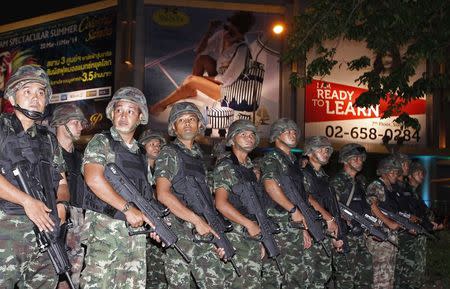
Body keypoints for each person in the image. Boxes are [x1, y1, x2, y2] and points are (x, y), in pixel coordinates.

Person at [80, 87, 159, 288]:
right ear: (112, 114)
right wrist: (127, 209)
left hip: (135, 239)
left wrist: (156, 223)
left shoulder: (142, 154)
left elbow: (147, 194)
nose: (123, 115)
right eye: (119, 110)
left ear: (140, 117)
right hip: (105, 233)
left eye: (130, 111)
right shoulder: (102, 142)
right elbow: (93, 179)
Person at [0, 65, 70, 288]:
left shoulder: (48, 139)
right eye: (27, 91)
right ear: (12, 96)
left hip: (47, 233)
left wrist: (61, 204)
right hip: (7, 231)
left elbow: (62, 181)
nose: (35, 97)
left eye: (41, 92)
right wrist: (27, 201)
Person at [154, 101, 226, 289]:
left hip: (203, 231)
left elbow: (207, 201)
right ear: (174, 128)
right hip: (180, 232)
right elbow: (162, 194)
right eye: (181, 120)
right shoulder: (169, 152)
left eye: (191, 119)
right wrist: (196, 221)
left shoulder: (199, 157)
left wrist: (216, 238)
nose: (187, 123)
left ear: (199, 125)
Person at [150, 11, 256, 114]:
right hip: (220, 79)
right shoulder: (222, 35)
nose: (227, 33)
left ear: (241, 35)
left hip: (230, 92)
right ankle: (190, 89)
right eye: (227, 28)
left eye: (232, 33)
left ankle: (161, 105)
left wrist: (198, 80)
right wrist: (210, 30)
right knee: (202, 58)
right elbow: (199, 51)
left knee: (191, 80)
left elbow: (228, 80)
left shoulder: (243, 50)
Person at [213, 119, 268, 288]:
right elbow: (220, 204)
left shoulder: (251, 170)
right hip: (235, 236)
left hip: (251, 236)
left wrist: (261, 239)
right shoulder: (226, 166)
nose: (249, 137)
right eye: (243, 134)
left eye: (252, 134)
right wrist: (248, 225)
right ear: (232, 139)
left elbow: (255, 208)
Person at [259, 118, 312, 289]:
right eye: (287, 131)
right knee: (273, 278)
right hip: (278, 225)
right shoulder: (272, 158)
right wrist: (293, 210)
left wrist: (302, 228)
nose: (293, 134)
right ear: (276, 136)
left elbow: (300, 196)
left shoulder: (293, 161)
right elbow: (270, 186)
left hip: (293, 226)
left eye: (294, 131)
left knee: (296, 278)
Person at [50, 103, 89, 289]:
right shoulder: (47, 152)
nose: (80, 127)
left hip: (78, 220)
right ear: (60, 123)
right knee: (51, 274)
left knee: (72, 276)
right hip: (55, 218)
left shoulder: (81, 157)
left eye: (81, 123)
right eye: (75, 122)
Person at [302, 136, 345, 288]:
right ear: (309, 152)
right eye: (320, 149)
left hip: (324, 235)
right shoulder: (303, 174)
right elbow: (305, 198)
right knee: (307, 278)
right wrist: (328, 217)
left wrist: (336, 235)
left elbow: (332, 207)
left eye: (327, 149)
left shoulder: (325, 179)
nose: (325, 152)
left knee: (322, 277)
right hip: (310, 233)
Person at [330, 143, 373, 289]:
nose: (359, 161)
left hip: (361, 237)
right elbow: (331, 209)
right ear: (345, 160)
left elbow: (365, 208)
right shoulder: (337, 182)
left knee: (365, 280)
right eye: (355, 158)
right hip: (346, 238)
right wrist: (336, 236)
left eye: (361, 158)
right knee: (345, 281)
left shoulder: (360, 183)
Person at [366, 156, 403, 289]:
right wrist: (389, 223)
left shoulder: (390, 189)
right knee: (381, 279)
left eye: (396, 172)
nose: (394, 175)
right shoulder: (377, 185)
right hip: (381, 237)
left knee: (388, 279)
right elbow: (372, 206)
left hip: (389, 239)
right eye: (391, 172)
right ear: (383, 172)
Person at [138, 129, 168, 289]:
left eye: (158, 145)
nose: (156, 147)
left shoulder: (160, 171)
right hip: (141, 224)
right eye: (152, 144)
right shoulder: (138, 169)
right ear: (142, 146)